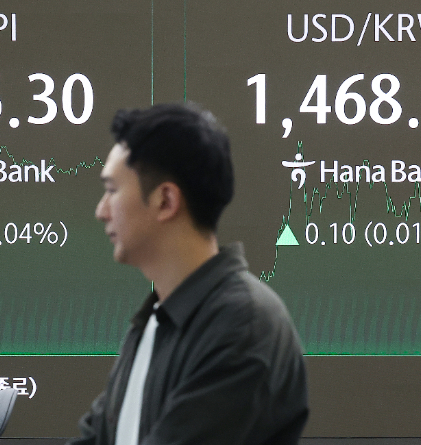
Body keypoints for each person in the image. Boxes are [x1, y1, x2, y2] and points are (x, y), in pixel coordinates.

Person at [69, 103, 308, 445]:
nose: (101, 211)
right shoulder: (155, 323)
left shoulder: (243, 325)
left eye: (112, 191)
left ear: (166, 200)